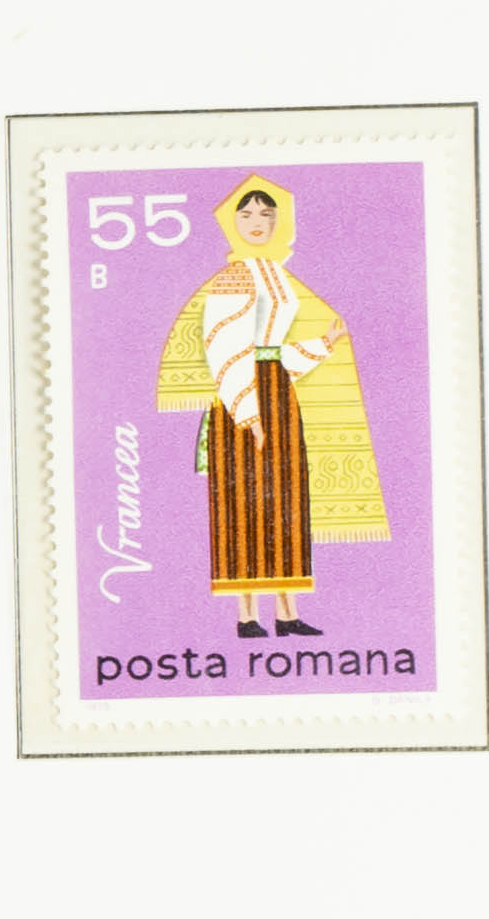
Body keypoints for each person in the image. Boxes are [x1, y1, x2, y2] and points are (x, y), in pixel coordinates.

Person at [148, 174, 389, 636]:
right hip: (242, 399)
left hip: (277, 392)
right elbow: (225, 351)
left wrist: (323, 344)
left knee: (285, 501)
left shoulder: (275, 274)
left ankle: (287, 613)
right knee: (244, 503)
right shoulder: (233, 277)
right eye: (247, 214)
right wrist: (249, 414)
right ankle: (246, 617)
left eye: (266, 213)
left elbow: (273, 353)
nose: (257, 221)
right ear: (232, 222)